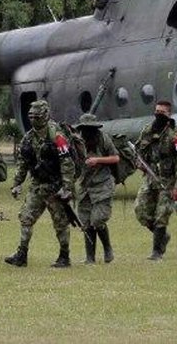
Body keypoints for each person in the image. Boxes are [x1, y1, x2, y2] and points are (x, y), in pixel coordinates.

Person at [5, 100, 75, 268]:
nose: (33, 120)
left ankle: (64, 256)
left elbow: (67, 163)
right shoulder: (28, 138)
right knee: (26, 218)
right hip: (37, 186)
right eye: (31, 116)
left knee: (60, 223)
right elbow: (23, 162)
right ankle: (21, 254)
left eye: (37, 116)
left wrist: (67, 188)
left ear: (45, 115)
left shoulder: (57, 136)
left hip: (55, 187)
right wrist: (17, 183)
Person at [134, 100, 177, 261]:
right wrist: (139, 162)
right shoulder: (147, 130)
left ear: (169, 114)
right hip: (150, 177)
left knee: (161, 215)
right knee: (141, 211)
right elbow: (138, 150)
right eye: (156, 111)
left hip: (168, 181)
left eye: (162, 112)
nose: (158, 115)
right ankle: (163, 236)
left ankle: (157, 252)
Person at [73, 113, 119, 264]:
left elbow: (115, 158)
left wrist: (98, 160)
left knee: (98, 220)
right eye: (85, 128)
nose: (88, 132)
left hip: (103, 185)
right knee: (86, 223)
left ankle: (107, 249)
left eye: (91, 128)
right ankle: (90, 257)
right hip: (85, 187)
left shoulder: (103, 139)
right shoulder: (76, 141)